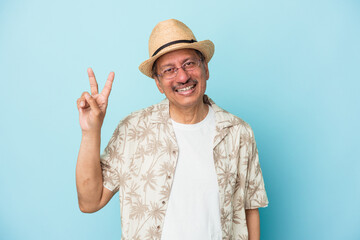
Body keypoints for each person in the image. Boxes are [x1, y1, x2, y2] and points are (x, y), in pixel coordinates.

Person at [76, 19, 268, 240]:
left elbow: (250, 209)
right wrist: (90, 131)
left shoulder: (238, 132)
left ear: (205, 68)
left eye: (189, 63)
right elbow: (90, 202)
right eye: (169, 70)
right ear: (158, 83)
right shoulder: (133, 129)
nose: (183, 77)